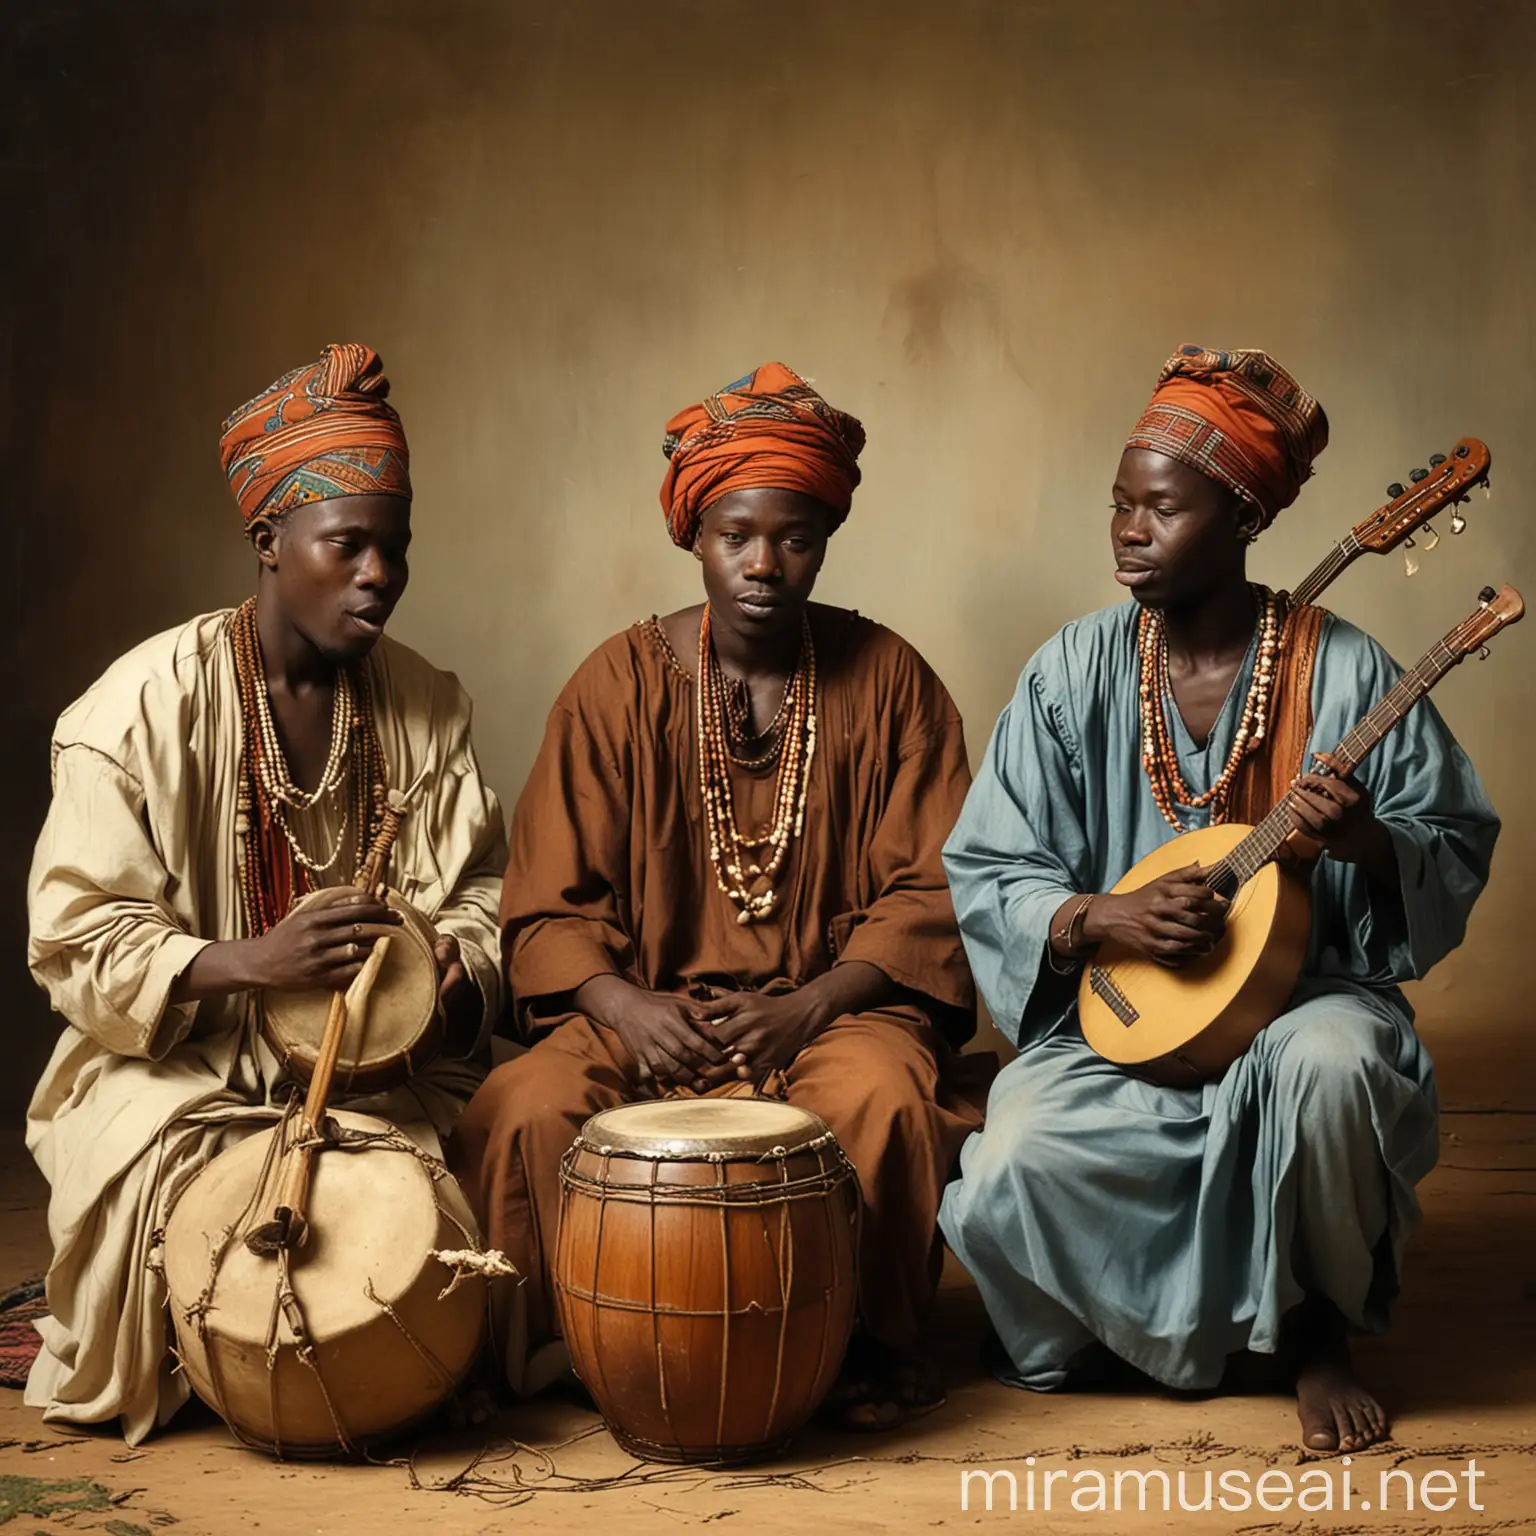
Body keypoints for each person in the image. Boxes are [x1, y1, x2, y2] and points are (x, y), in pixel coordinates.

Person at [938, 345, 1499, 1453]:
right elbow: (992, 862)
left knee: (1331, 1070)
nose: (1126, 532)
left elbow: (1451, 838)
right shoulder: (1073, 672)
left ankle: (1314, 1330)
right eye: (1118, 505)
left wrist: (1368, 843)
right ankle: (1120, 1325)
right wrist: (1099, 918)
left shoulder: (1343, 671)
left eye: (1161, 510)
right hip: (1133, 1012)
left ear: (1243, 520)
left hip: (1304, 999)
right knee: (1011, 1151)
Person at [450, 363, 979, 1429]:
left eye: (794, 538)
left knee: (881, 1102)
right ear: (693, 535)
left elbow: (934, 893)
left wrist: (811, 1004)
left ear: (825, 538)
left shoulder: (892, 681)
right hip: (645, 1014)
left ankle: (860, 1351)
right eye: (736, 534)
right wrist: (627, 1010)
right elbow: (548, 905)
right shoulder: (614, 687)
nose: (763, 564)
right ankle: (560, 1348)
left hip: (833, 1012)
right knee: (524, 1108)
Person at [25, 343, 506, 1444]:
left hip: (388, 1075)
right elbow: (75, 935)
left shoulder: (425, 706)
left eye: (397, 547)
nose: (380, 572)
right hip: (180, 1067)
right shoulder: (139, 708)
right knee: (180, 1196)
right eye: (351, 545)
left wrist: (447, 971)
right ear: (270, 544)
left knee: (495, 1171)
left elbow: (483, 894)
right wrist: (253, 964)